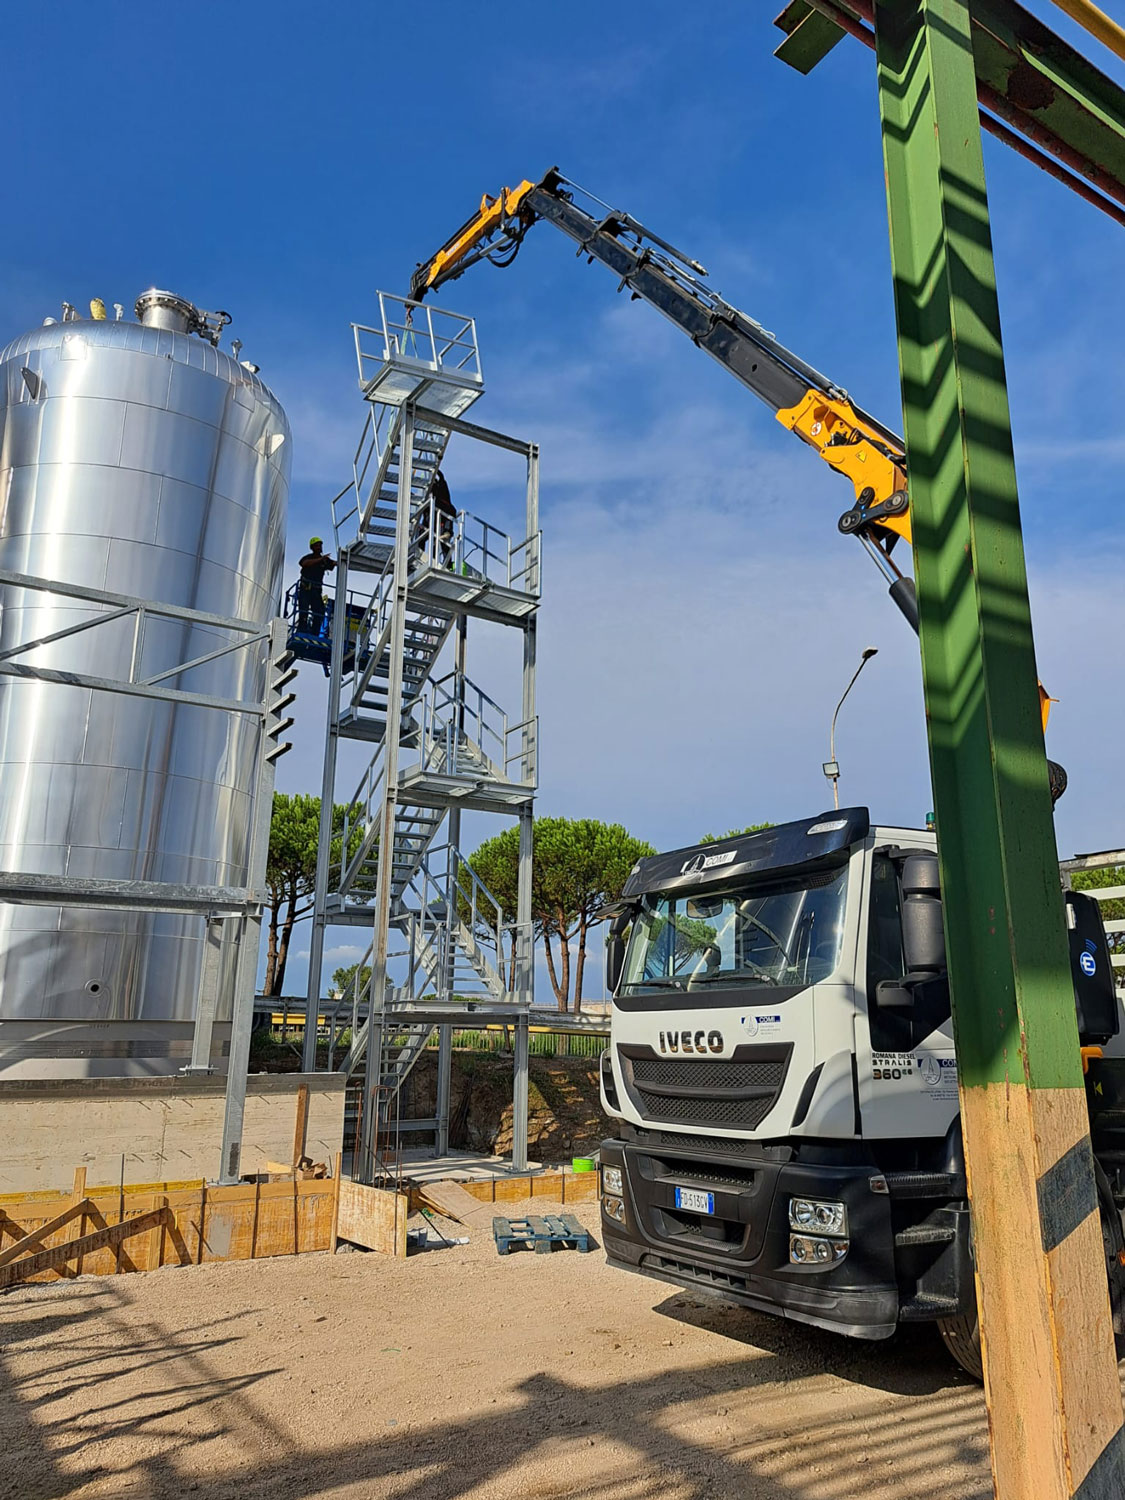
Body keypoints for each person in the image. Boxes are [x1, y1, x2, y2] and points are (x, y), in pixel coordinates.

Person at [412, 468, 457, 568]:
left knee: (443, 543)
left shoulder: (440, 486)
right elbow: (416, 498)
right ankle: (418, 557)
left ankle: (448, 566)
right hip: (430, 518)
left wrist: (434, 470)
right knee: (421, 535)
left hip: (442, 517)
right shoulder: (423, 493)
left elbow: (441, 477)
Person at [297, 537, 336, 635]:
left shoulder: (324, 560)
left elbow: (334, 564)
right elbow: (304, 563)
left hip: (316, 591)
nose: (319, 547)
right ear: (312, 547)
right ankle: (302, 630)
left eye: (320, 545)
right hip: (305, 589)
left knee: (319, 613)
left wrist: (344, 558)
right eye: (317, 545)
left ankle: (314, 633)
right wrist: (321, 559)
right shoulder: (309, 557)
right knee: (303, 611)